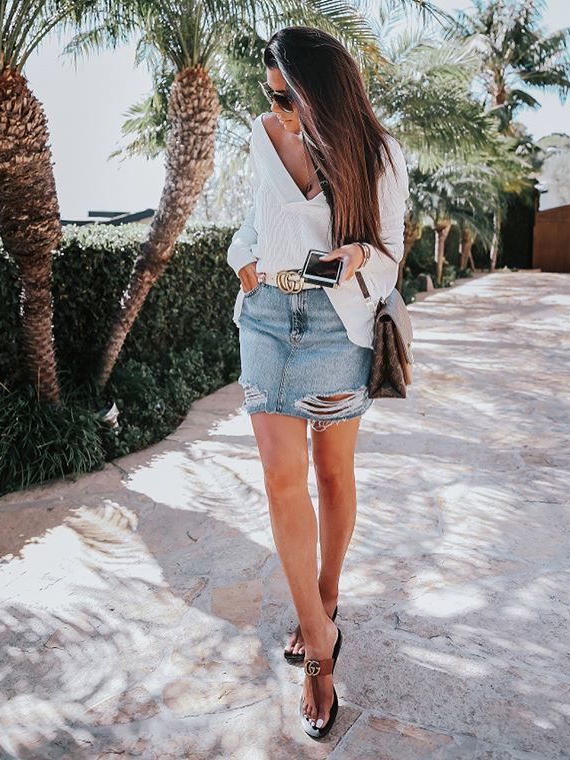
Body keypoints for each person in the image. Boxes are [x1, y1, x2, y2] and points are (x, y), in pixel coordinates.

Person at [226, 25, 409, 739]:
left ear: (320, 91)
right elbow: (253, 222)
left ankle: (325, 598)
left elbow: (390, 260)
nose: (277, 108)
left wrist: (359, 253)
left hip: (337, 327)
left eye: (288, 96)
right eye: (270, 94)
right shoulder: (263, 134)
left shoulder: (378, 152)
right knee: (281, 478)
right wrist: (241, 256)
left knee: (332, 474)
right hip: (266, 320)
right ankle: (320, 651)